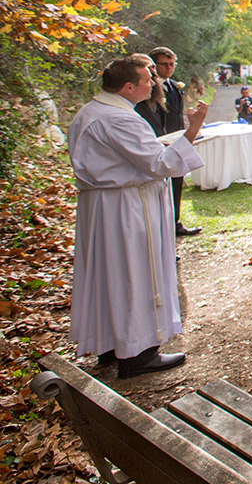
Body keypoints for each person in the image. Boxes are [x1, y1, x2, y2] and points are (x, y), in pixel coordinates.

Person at [68, 58, 208, 378]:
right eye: (147, 79)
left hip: (103, 207)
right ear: (128, 87)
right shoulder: (119, 119)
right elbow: (158, 165)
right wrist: (194, 129)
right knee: (133, 272)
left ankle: (111, 345)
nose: (153, 84)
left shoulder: (91, 111)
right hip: (125, 208)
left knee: (109, 275)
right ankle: (138, 353)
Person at [146, 47, 200, 237]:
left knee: (177, 180)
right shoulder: (149, 89)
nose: (169, 68)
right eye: (164, 64)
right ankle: (163, 228)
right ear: (154, 65)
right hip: (160, 142)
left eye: (172, 64)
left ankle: (175, 222)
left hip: (177, 140)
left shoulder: (175, 86)